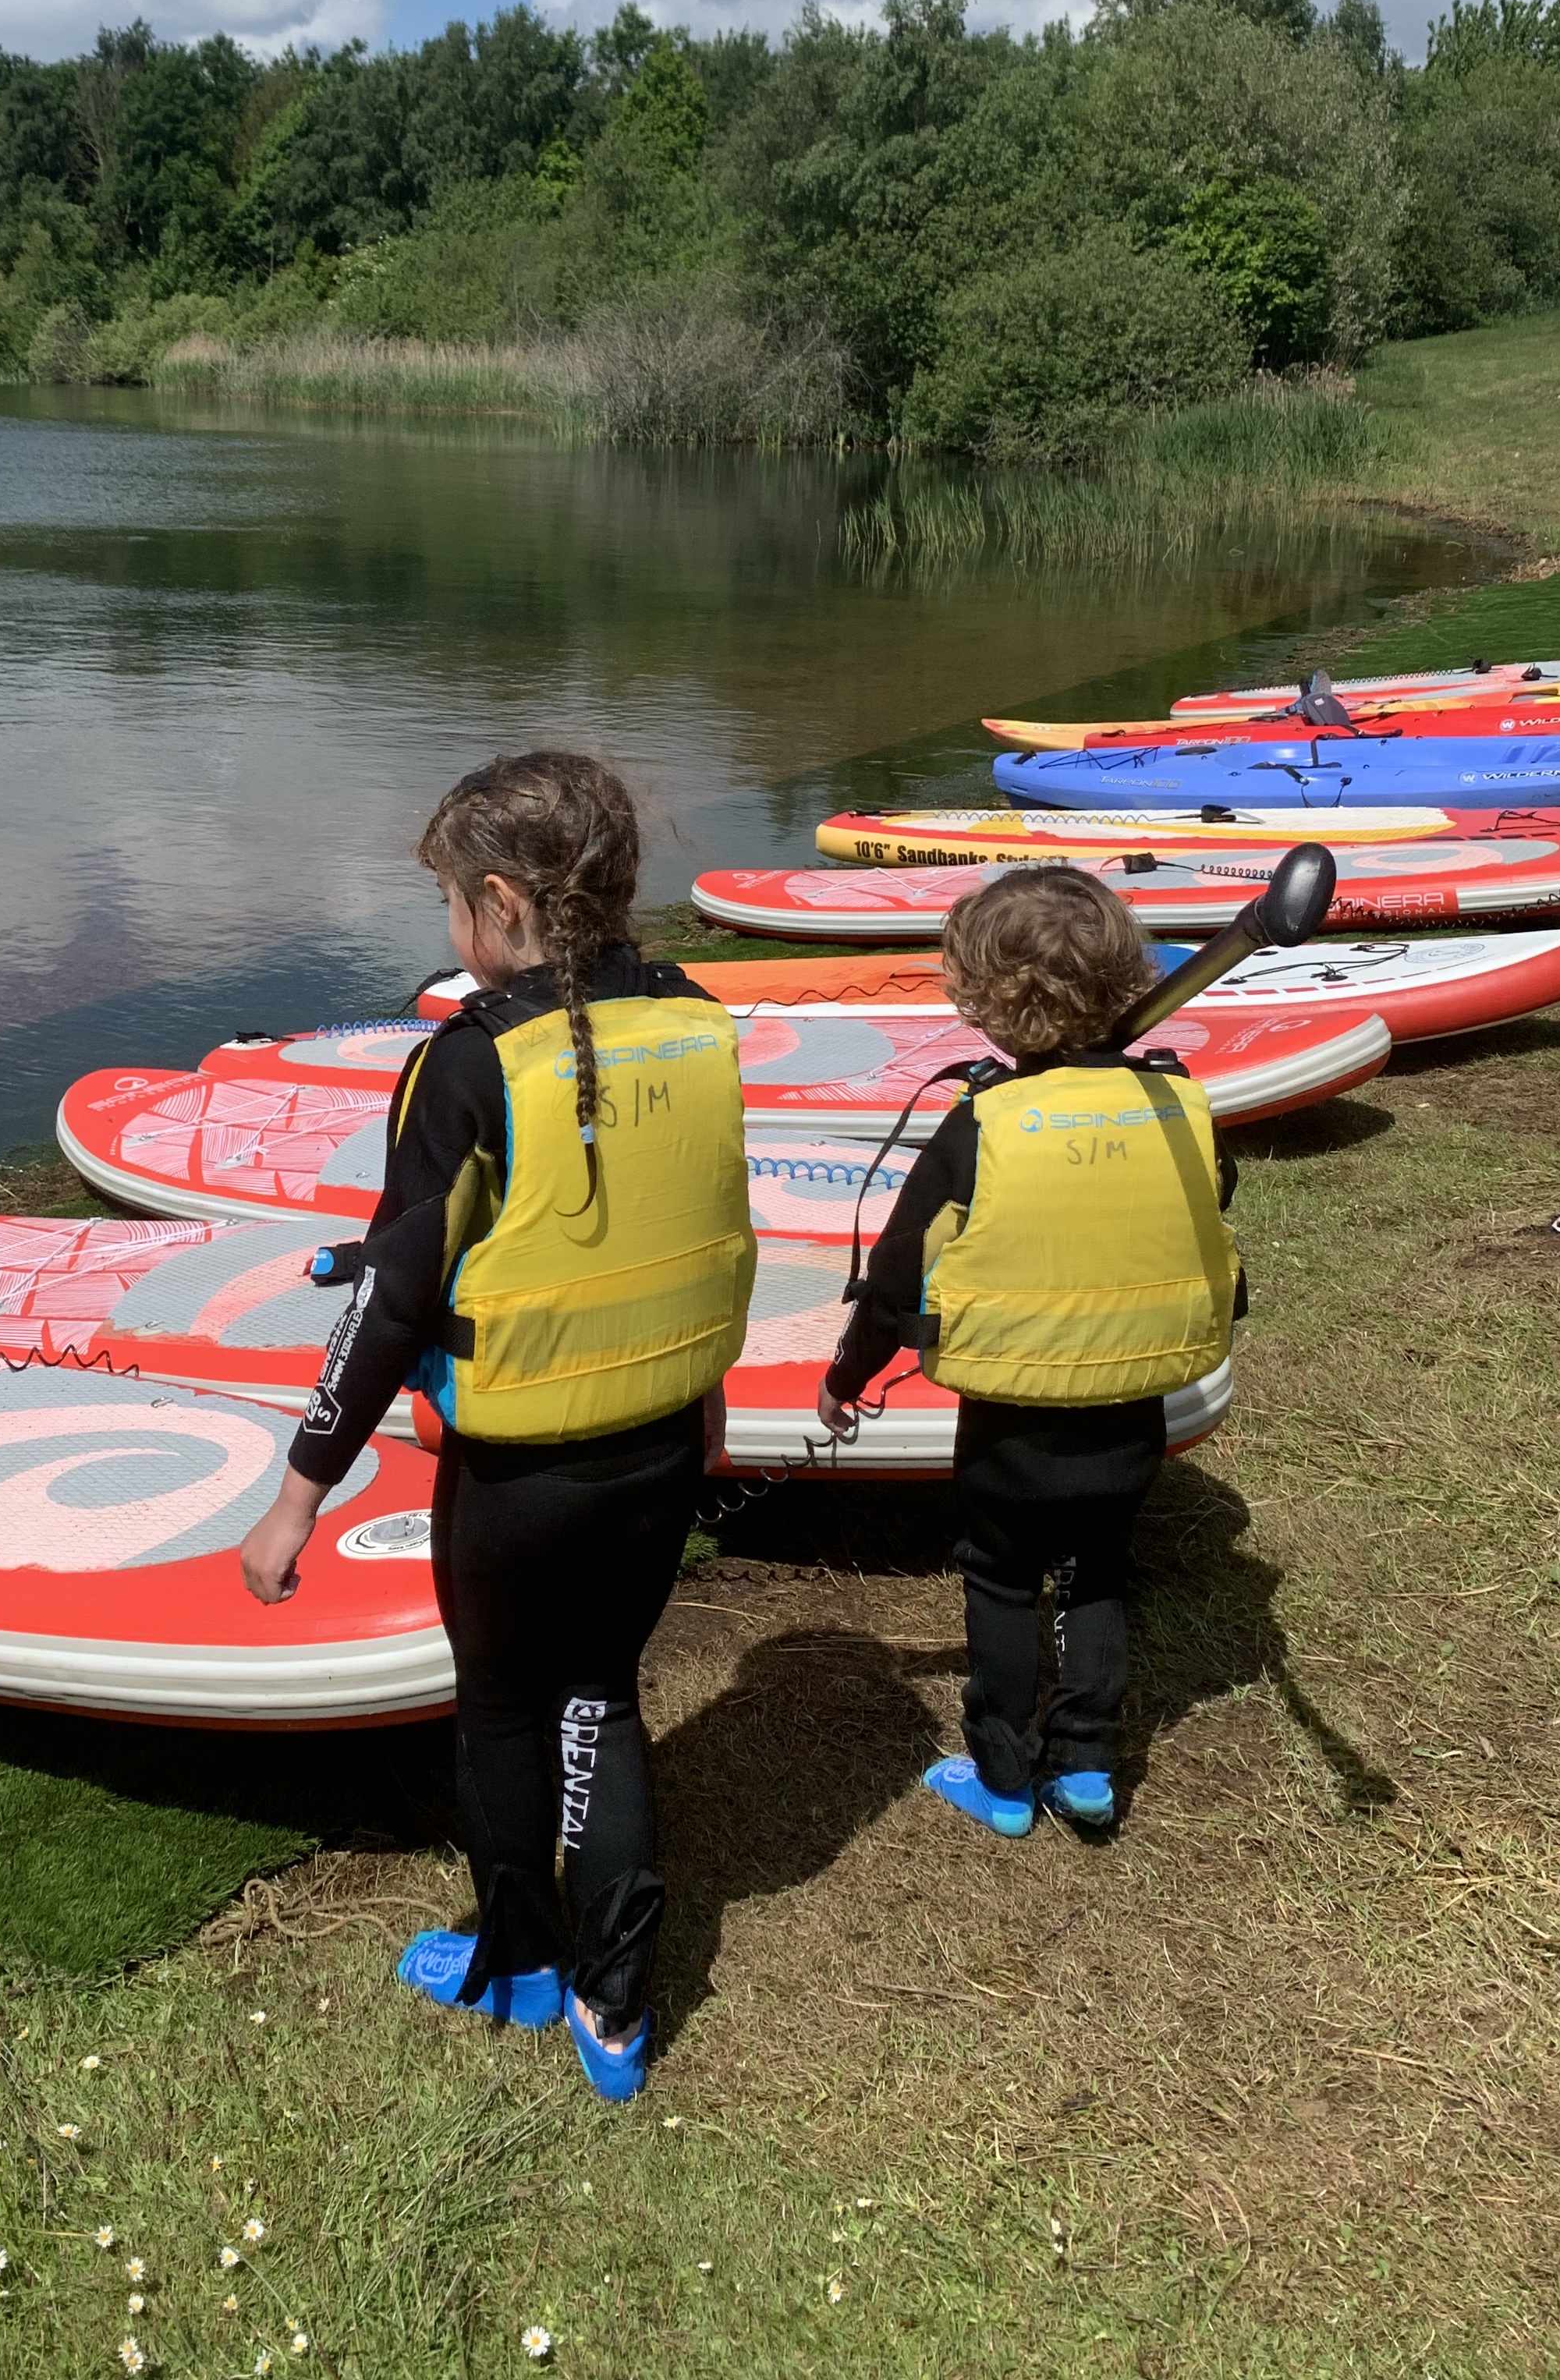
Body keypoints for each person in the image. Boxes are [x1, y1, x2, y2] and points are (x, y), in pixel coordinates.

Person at [238, 750, 756, 2099]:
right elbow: (696, 1230)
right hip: (659, 1444)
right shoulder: (696, 1019)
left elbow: (390, 1301)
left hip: (519, 1475)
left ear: (500, 904)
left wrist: (298, 1494)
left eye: (449, 904)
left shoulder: (466, 1065)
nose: (450, 929)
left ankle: (522, 1962)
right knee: (602, 1695)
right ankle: (616, 2006)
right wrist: (702, 1394)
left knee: (505, 1710)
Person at [817, 864, 1242, 1838]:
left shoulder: (981, 1123)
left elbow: (896, 1276)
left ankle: (1003, 1778)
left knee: (1003, 1579)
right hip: (1130, 1404)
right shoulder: (1176, 1102)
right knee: (1096, 1571)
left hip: (1011, 1423)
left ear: (981, 1002)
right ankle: (1086, 1763)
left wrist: (847, 1378)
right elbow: (1208, 1202)